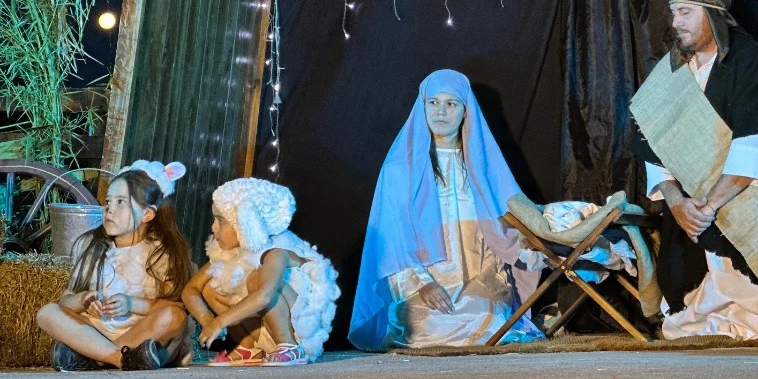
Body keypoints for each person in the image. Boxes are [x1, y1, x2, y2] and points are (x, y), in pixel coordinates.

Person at [629, 0, 758, 341]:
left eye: (685, 12)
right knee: (683, 314)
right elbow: (652, 139)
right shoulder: (671, 69)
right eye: (673, 13)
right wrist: (677, 202)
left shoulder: (749, 62)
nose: (675, 22)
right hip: (688, 208)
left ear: (711, 12)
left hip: (741, 197)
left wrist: (708, 206)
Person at [348, 69, 544, 349]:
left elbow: (509, 220)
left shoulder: (482, 166)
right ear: (423, 107)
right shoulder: (399, 169)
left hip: (480, 279)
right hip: (422, 284)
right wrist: (421, 285)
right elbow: (392, 241)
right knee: (429, 326)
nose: (441, 112)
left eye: (451, 104)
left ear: (465, 112)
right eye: (433, 103)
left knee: (484, 317)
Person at [36, 160, 193, 371]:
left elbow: (175, 307)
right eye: (108, 201)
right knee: (47, 313)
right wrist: (83, 300)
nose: (109, 209)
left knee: (175, 318)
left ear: (147, 214)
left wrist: (131, 304)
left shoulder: (161, 253)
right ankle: (119, 358)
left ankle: (92, 358)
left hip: (142, 334)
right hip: (95, 331)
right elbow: (66, 300)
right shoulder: (91, 245)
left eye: (121, 202)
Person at [182, 177, 340, 366]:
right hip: (266, 331)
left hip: (299, 331)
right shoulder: (230, 255)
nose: (213, 228)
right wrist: (206, 319)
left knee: (255, 280)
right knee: (210, 286)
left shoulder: (276, 251)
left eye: (221, 221)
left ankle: (289, 346)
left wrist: (219, 322)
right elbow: (190, 290)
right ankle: (249, 347)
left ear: (246, 223)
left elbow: (264, 296)